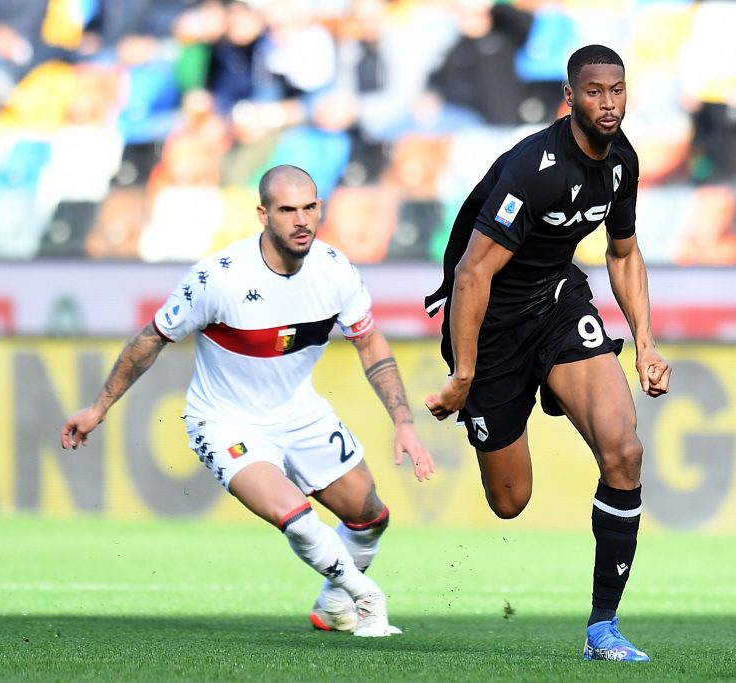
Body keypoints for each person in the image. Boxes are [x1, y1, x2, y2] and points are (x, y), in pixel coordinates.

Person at [61, 164, 435, 637]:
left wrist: (404, 422)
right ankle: (367, 597)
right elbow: (151, 338)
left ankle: (334, 604)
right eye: (287, 210)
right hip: (226, 423)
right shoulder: (218, 278)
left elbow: (370, 343)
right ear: (263, 214)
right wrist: (99, 407)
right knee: (297, 518)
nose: (301, 220)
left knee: (370, 517)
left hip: (300, 413)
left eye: (310, 207)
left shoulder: (335, 270)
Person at [423, 44, 671, 662]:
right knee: (510, 501)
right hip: (491, 325)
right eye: (594, 91)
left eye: (616, 90)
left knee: (625, 451)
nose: (608, 103)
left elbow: (622, 253)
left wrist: (644, 343)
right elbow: (473, 275)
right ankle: (506, 399)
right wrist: (464, 374)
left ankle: (603, 629)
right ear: (570, 97)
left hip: (557, 303)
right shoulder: (535, 169)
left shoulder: (622, 162)